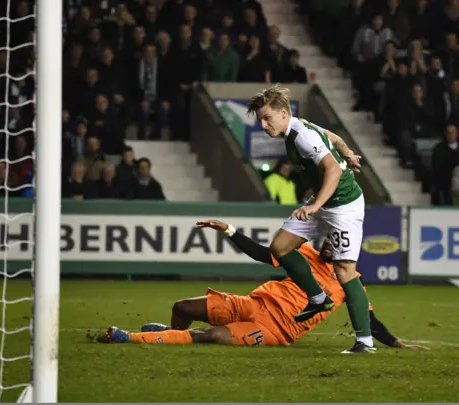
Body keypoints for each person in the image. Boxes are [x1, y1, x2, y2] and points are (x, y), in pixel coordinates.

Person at [99, 219, 429, 352]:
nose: (330, 245)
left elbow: (368, 319)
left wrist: (396, 343)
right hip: (253, 304)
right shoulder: (304, 252)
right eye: (330, 239)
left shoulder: (350, 282)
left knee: (208, 337)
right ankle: (167, 332)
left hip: (277, 331)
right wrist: (230, 230)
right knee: (182, 308)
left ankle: (128, 337)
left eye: (338, 242)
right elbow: (262, 253)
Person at [246, 85, 373, 353]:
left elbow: (333, 171)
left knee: (343, 271)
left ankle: (365, 341)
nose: (263, 124)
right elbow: (333, 137)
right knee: (280, 247)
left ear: (283, 113)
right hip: (322, 201)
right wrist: (348, 153)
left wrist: (316, 204)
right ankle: (317, 298)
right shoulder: (298, 128)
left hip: (343, 206)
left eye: (267, 118)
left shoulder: (302, 136)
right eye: (260, 120)